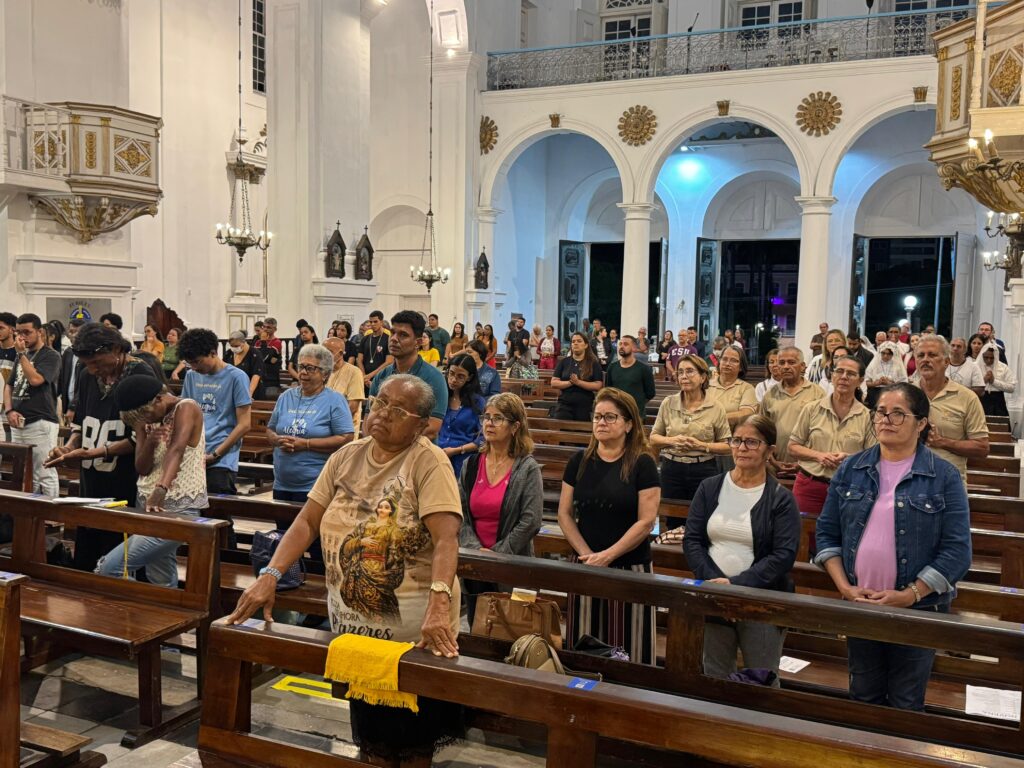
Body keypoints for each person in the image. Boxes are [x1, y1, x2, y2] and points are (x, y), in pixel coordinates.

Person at [226, 375, 463, 764]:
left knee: (411, 743)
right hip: (353, 633)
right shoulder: (347, 455)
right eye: (379, 402)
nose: (382, 413)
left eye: (397, 410)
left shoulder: (429, 462)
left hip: (412, 638)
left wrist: (440, 603)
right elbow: (306, 522)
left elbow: (446, 539)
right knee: (372, 739)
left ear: (421, 425)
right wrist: (270, 575)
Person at [815, 383, 971, 711]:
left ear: (921, 423)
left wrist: (911, 594)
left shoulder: (944, 476)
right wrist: (846, 587)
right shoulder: (851, 468)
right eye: (881, 412)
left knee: (905, 702)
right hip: (862, 604)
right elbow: (827, 533)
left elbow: (957, 550)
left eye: (898, 413)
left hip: (918, 610)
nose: (886, 419)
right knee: (863, 697)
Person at [684, 414, 800, 682]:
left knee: (762, 680)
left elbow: (783, 556)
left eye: (751, 442)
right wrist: (715, 585)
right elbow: (693, 541)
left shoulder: (781, 499)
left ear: (770, 450)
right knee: (715, 678)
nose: (742, 448)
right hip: (713, 597)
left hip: (761, 601)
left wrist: (735, 587)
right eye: (736, 441)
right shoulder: (710, 487)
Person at [558, 388, 660, 664]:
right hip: (585, 563)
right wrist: (587, 555)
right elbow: (565, 514)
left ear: (628, 424)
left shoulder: (642, 463)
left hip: (630, 566)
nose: (601, 422)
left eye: (610, 417)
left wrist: (608, 556)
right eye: (597, 416)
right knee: (585, 643)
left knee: (630, 648)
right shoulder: (579, 461)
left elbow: (646, 521)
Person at [45, 323, 156, 569]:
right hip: (91, 480)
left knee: (117, 559)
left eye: (97, 362)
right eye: (87, 364)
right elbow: (82, 422)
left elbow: (145, 436)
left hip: (124, 481)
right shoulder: (87, 376)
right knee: (87, 555)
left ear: (116, 348)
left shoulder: (141, 375)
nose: (93, 369)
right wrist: (69, 447)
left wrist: (98, 451)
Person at [95, 378, 207, 587]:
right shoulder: (146, 418)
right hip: (147, 504)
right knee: (161, 580)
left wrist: (161, 488)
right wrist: (149, 441)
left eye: (147, 413)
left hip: (177, 508)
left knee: (110, 568)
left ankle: (133, 617)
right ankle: (163, 617)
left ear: (158, 399)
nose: (145, 419)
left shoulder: (186, 407)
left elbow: (177, 449)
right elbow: (142, 467)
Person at [458, 392, 543, 623]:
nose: (489, 423)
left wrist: (497, 555)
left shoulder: (527, 468)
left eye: (498, 418)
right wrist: (476, 550)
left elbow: (531, 520)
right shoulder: (472, 464)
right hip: (474, 562)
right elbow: (461, 514)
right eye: (486, 417)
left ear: (515, 426)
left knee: (510, 630)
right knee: (477, 627)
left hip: (511, 563)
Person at [788, 355, 876, 516]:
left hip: (849, 488)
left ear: (860, 380)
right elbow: (793, 447)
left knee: (842, 538)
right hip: (810, 485)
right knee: (803, 537)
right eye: (839, 371)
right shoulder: (812, 409)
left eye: (850, 374)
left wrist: (848, 458)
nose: (843, 377)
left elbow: (874, 457)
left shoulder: (868, 416)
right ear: (832, 375)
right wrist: (818, 456)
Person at [266, 344, 354, 503]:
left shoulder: (335, 400)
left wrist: (306, 444)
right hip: (281, 483)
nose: (303, 372)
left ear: (325, 374)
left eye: (310, 368)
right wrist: (276, 440)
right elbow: (271, 429)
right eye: (301, 367)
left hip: (315, 485)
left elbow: (346, 438)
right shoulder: (286, 396)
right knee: (282, 528)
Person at [650, 355, 731, 528]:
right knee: (672, 519)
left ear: (703, 377)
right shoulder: (668, 403)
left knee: (702, 518)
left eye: (689, 371)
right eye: (680, 372)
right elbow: (654, 438)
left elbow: (727, 446)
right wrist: (672, 440)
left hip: (703, 469)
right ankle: (671, 554)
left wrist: (702, 445)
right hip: (672, 468)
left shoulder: (715, 407)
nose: (684, 376)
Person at [179, 328, 252, 498]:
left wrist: (215, 454)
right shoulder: (191, 376)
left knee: (218, 515)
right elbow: (185, 413)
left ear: (213, 353)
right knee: (194, 515)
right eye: (190, 363)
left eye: (197, 362)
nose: (194, 367)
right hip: (194, 454)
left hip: (222, 458)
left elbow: (244, 424)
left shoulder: (236, 377)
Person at [912, 335, 988, 484]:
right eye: (920, 355)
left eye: (932, 355)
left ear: (946, 362)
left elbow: (982, 447)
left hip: (949, 483)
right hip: (909, 481)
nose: (925, 360)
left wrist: (942, 442)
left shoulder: (967, 397)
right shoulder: (906, 394)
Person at [3, 313, 62, 497]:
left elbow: (36, 380)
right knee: (26, 474)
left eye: (27, 332)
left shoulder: (50, 356)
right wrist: (9, 410)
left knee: (44, 472)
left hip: (41, 420)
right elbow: (9, 385)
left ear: (40, 332)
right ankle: (31, 518)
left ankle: (52, 517)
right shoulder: (23, 356)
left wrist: (20, 354)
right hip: (19, 422)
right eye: (18, 333)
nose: (22, 337)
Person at [369, 311, 448, 440]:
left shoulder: (434, 377)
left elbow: (432, 427)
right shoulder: (382, 376)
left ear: (418, 342)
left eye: (403, 335)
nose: (394, 339)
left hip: (417, 452)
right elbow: (369, 420)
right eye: (393, 332)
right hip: (382, 449)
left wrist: (392, 441)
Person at [759, 347, 825, 474]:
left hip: (808, 467)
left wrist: (805, 462)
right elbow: (762, 431)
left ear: (803, 366)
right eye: (782, 362)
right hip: (775, 465)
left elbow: (822, 434)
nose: (786, 366)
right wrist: (770, 459)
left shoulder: (817, 393)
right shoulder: (770, 394)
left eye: (791, 362)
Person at [438, 353, 485, 479]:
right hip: (437, 457)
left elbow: (482, 439)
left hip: (463, 461)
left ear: (469, 378)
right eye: (451, 373)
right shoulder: (441, 397)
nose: (453, 379)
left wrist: (456, 450)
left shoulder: (478, 402)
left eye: (460, 377)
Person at [550, 332, 603, 421]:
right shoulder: (564, 362)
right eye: (573, 341)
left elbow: (598, 385)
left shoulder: (593, 363)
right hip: (564, 404)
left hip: (585, 405)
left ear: (586, 345)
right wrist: (570, 382)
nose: (575, 343)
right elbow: (554, 383)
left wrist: (578, 382)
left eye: (579, 341)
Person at [705, 345, 756, 429]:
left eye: (734, 361)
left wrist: (715, 419)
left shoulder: (746, 388)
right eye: (724, 359)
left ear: (740, 367)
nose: (727, 364)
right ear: (719, 362)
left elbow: (746, 413)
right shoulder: (706, 385)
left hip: (733, 437)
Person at [605, 335, 656, 416]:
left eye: (625, 344)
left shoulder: (644, 369)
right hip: (616, 414)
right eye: (620, 344)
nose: (621, 346)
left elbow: (650, 393)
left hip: (636, 415)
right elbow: (608, 391)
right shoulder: (612, 367)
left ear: (634, 348)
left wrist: (637, 404)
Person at [323, 337, 365, 434]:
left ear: (341, 354)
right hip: (323, 428)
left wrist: (327, 423)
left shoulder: (354, 372)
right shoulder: (322, 372)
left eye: (328, 352)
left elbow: (352, 407)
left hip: (343, 430)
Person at [224, 330, 266, 400]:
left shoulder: (255, 354)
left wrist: (249, 394)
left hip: (253, 392)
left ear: (243, 342)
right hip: (234, 391)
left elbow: (256, 375)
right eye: (232, 346)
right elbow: (223, 369)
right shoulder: (229, 353)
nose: (234, 348)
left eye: (236, 346)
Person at [978, 342, 1016, 417]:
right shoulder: (975, 366)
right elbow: (968, 386)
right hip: (979, 400)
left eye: (992, 358)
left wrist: (994, 382)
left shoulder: (1003, 367)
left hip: (998, 402)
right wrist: (983, 381)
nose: (989, 360)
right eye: (986, 357)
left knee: (1000, 427)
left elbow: (1011, 388)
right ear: (982, 355)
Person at [358, 310, 393, 391]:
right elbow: (359, 360)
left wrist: (370, 375)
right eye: (371, 322)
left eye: (375, 321)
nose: (372, 324)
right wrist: (364, 376)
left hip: (381, 378)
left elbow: (389, 361)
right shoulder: (365, 338)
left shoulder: (388, 338)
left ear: (381, 322)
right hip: (365, 379)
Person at [253, 317, 283, 397]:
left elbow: (264, 357)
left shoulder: (277, 342)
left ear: (275, 329)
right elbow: (255, 359)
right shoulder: (257, 342)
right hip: (258, 380)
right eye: (264, 327)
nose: (265, 329)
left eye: (269, 327)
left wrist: (263, 341)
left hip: (271, 381)